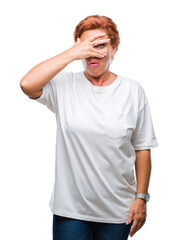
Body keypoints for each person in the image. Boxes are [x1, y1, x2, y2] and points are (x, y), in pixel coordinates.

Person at [20, 15, 158, 240]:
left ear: (114, 49)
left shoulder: (133, 91)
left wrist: (141, 198)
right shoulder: (64, 85)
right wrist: (73, 53)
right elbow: (27, 84)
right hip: (71, 211)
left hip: (118, 211)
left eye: (101, 45)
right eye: (87, 47)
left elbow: (142, 148)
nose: (92, 53)